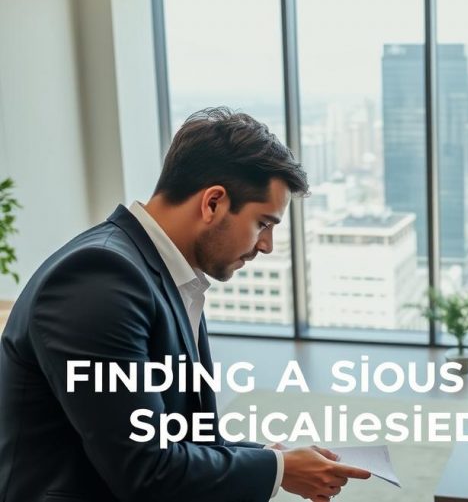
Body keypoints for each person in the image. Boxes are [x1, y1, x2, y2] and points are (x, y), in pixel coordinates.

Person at [0, 108, 370, 501]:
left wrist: (272, 458)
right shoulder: (98, 278)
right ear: (213, 203)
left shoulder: (163, 275)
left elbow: (188, 438)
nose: (266, 246)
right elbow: (147, 471)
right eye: (263, 223)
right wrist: (279, 470)